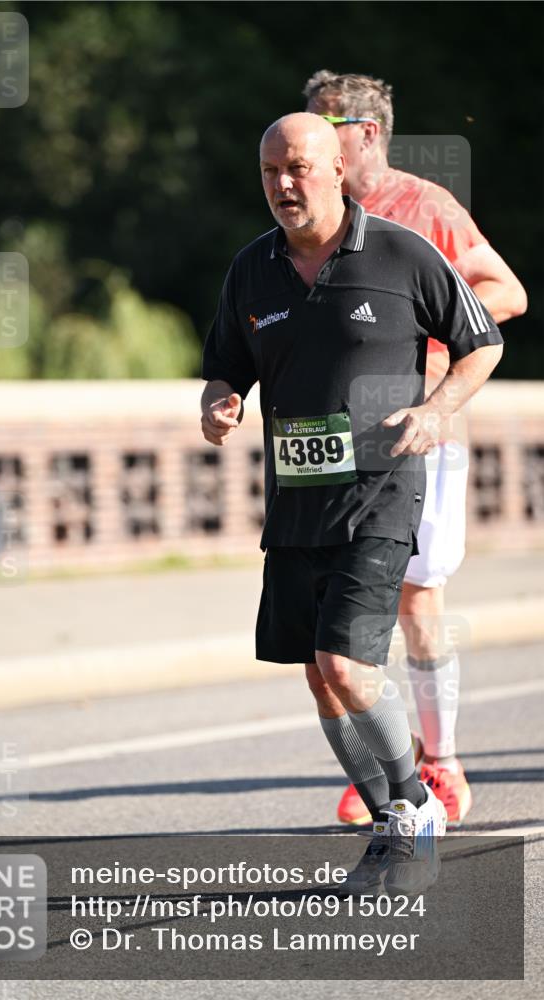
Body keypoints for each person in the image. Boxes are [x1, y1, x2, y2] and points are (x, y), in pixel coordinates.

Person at [201, 113, 503, 888]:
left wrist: (435, 411)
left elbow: (483, 342)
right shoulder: (251, 270)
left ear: (338, 169)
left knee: (346, 661)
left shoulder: (402, 254)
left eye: (298, 168)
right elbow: (225, 367)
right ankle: (391, 820)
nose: (282, 185)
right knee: (317, 673)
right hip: (295, 501)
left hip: (381, 491)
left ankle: (411, 810)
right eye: (270, 171)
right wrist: (221, 401)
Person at [301, 70, 527, 827]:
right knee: (341, 610)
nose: (303, 146)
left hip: (420, 429)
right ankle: (382, 774)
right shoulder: (316, 215)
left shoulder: (422, 205)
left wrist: (422, 324)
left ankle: (442, 764)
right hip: (339, 440)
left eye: (318, 127)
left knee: (417, 602)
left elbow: (505, 291)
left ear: (364, 133)